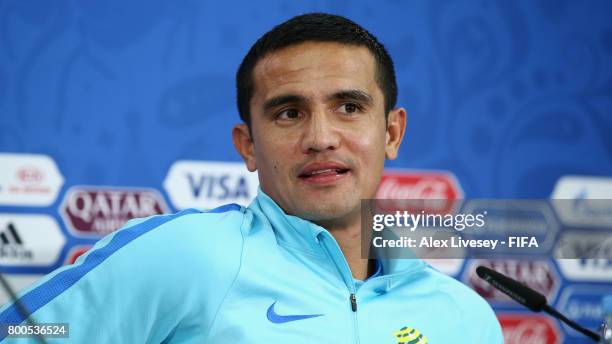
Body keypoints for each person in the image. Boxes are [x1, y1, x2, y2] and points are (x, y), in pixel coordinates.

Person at [0, 13, 503, 343]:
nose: (321, 137)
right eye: (288, 113)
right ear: (247, 146)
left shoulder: (466, 319)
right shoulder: (187, 255)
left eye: (349, 107)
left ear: (392, 132)